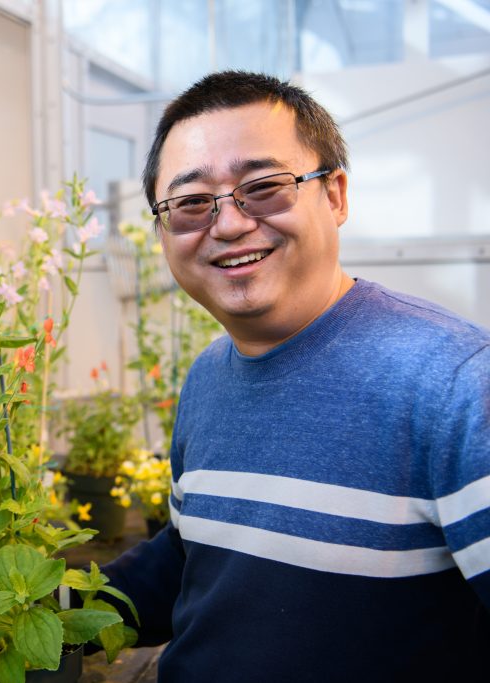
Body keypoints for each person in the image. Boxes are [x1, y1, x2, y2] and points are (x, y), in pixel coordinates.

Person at [99, 70, 490, 681]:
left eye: (263, 186)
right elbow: (194, 560)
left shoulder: (454, 384)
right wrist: (51, 607)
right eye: (192, 202)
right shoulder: (208, 377)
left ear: (335, 195)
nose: (227, 224)